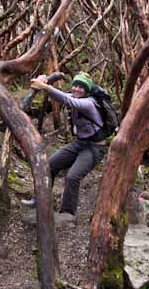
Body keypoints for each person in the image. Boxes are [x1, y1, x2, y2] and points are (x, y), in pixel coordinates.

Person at [22, 72, 107, 221]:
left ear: (87, 90)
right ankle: (40, 200)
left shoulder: (89, 103)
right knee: (49, 166)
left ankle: (68, 214)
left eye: (81, 87)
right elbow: (62, 96)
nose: (76, 89)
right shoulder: (75, 97)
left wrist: (45, 87)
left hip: (94, 148)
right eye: (75, 85)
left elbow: (67, 100)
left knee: (72, 177)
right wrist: (44, 83)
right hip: (79, 143)